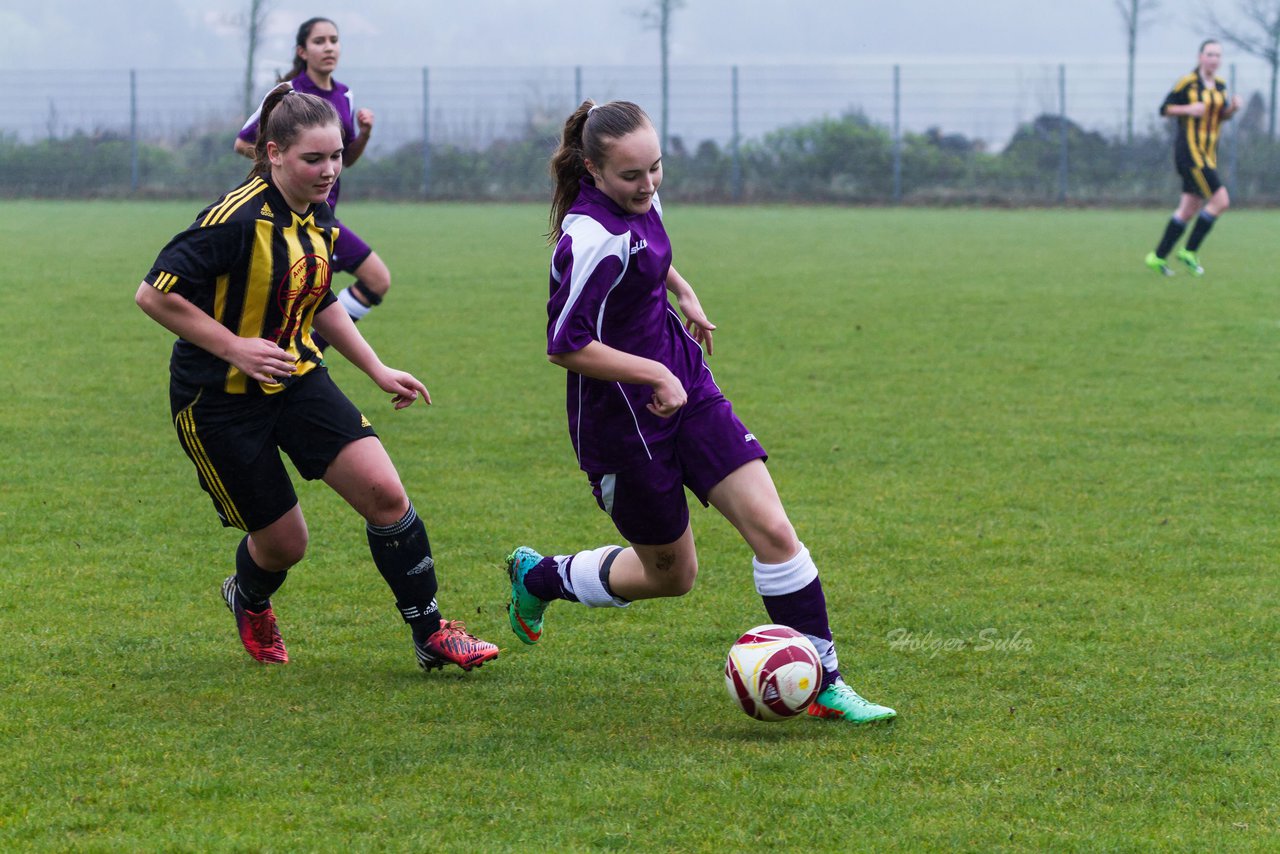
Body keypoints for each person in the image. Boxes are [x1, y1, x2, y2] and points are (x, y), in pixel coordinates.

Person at [504, 100, 895, 724]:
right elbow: (565, 345)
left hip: (690, 390)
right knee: (671, 575)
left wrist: (681, 291)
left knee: (773, 530)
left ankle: (825, 679)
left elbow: (649, 254)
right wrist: (651, 371)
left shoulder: (639, 201)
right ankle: (543, 577)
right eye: (631, 176)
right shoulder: (586, 237)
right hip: (622, 427)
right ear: (593, 171)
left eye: (656, 169)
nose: (649, 185)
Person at [136, 84, 497, 673]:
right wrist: (236, 348)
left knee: (386, 495)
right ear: (273, 152)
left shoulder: (318, 213)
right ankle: (248, 597)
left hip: (299, 380)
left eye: (335, 157)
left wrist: (377, 368)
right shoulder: (233, 220)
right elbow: (153, 294)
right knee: (286, 545)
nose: (329, 171)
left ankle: (432, 636)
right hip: (219, 401)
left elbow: (318, 294)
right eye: (314, 159)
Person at [235, 17, 390, 346]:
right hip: (286, 217)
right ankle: (282, 360)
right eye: (320, 41)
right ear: (302, 51)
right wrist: (284, 169)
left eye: (334, 40)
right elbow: (243, 143)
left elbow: (344, 159)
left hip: (324, 218)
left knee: (376, 280)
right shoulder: (287, 95)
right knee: (294, 303)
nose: (329, 47)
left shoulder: (344, 96)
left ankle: (308, 352)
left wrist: (364, 135)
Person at [1145, 39, 1241, 277]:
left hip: (1208, 154)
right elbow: (1164, 108)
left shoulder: (1220, 86)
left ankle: (1157, 257)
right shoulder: (1187, 83)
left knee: (1188, 209)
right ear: (1200, 57)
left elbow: (1220, 117)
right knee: (1221, 201)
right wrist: (1187, 109)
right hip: (1190, 153)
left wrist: (1232, 110)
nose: (1214, 59)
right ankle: (1189, 251)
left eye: (1218, 55)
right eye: (1210, 54)